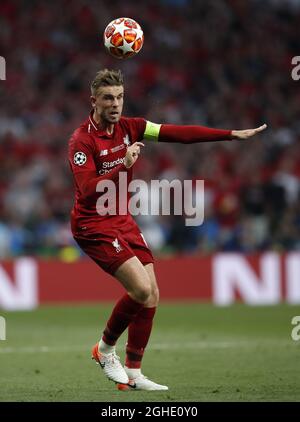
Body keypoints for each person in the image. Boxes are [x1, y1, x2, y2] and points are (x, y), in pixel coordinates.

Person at [68, 68, 267, 391]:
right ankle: (104, 350)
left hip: (121, 218)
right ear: (93, 101)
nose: (115, 104)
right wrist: (124, 165)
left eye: (119, 97)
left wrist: (229, 133)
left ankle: (133, 374)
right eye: (108, 98)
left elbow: (178, 133)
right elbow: (88, 189)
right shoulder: (81, 139)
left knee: (152, 294)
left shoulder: (131, 127)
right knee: (140, 290)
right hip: (92, 224)